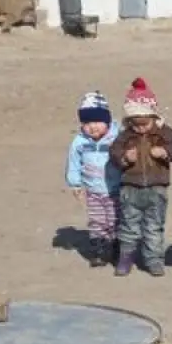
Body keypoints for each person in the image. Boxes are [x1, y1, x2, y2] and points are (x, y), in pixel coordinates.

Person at [108, 78, 172, 277]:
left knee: (154, 226)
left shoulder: (164, 133)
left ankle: (154, 260)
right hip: (130, 188)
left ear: (153, 116)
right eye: (136, 124)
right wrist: (125, 158)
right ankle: (125, 258)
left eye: (145, 123)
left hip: (156, 188)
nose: (141, 128)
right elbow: (114, 152)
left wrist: (166, 152)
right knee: (129, 226)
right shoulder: (125, 136)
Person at [65, 91, 121, 267]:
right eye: (87, 123)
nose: (93, 127)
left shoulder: (118, 137)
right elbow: (73, 162)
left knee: (115, 221)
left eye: (97, 121)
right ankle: (99, 251)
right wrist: (74, 183)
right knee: (97, 221)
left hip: (115, 189)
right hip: (93, 190)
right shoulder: (80, 142)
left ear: (108, 121)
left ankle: (117, 249)